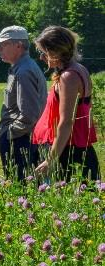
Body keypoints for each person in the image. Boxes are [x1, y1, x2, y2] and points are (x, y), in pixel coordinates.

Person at [33, 26, 100, 182]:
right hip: (74, 147)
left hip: (69, 151)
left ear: (56, 52)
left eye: (44, 53)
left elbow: (66, 122)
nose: (42, 58)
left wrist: (50, 160)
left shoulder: (69, 77)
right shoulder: (78, 69)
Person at [0, 26, 47, 181]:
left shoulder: (23, 71)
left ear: (18, 45)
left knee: (19, 189)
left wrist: (9, 134)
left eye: (3, 44)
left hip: (20, 140)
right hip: (21, 138)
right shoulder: (21, 68)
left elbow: (29, 115)